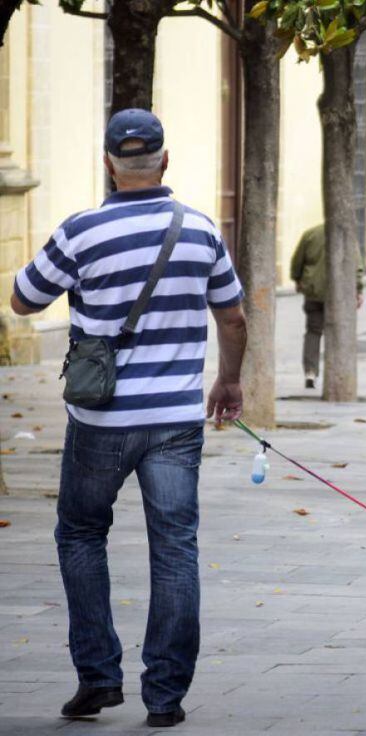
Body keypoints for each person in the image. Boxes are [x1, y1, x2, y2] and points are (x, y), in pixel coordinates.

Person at [9, 109, 248, 727]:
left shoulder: (81, 231)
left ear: (108, 164)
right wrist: (229, 380)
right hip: (175, 420)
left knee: (82, 534)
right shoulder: (199, 230)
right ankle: (165, 697)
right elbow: (233, 317)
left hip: (98, 424)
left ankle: (98, 676)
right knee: (175, 550)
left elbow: (23, 299)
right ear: (165, 161)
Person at [290, 223, 364, 389]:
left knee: (313, 332)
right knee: (338, 332)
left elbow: (298, 260)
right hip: (340, 293)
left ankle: (310, 371)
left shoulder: (310, 233)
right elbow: (357, 266)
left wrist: (297, 279)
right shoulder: (347, 236)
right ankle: (338, 373)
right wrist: (358, 289)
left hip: (314, 290)